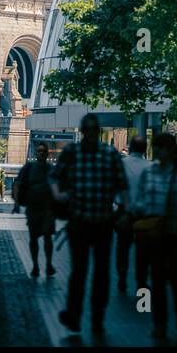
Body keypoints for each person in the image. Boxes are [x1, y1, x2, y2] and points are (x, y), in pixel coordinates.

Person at [52, 114, 128, 335]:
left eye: (94, 130)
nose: (92, 134)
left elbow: (122, 185)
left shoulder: (109, 154)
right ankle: (75, 315)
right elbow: (55, 178)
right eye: (89, 130)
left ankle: (96, 317)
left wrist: (124, 210)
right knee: (79, 271)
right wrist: (59, 196)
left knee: (101, 272)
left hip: (103, 221)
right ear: (84, 131)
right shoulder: (71, 152)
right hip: (79, 221)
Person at [135, 134, 177, 340]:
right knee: (158, 281)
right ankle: (159, 323)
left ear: (171, 150)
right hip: (155, 236)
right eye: (157, 147)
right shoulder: (149, 172)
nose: (159, 151)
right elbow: (141, 200)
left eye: (162, 147)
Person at [13, 142, 56, 277]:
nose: (41, 154)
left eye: (44, 152)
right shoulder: (29, 168)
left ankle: (48, 264)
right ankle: (36, 265)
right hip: (33, 208)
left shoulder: (51, 169)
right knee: (33, 238)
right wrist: (17, 203)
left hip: (48, 209)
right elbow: (18, 184)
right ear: (36, 154)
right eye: (39, 152)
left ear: (47, 154)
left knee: (48, 238)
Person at [116, 135, 150, 295]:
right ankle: (141, 282)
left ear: (130, 148)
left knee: (123, 247)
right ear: (144, 149)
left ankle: (122, 276)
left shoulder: (121, 164)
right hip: (143, 214)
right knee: (143, 251)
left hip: (124, 211)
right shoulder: (150, 166)